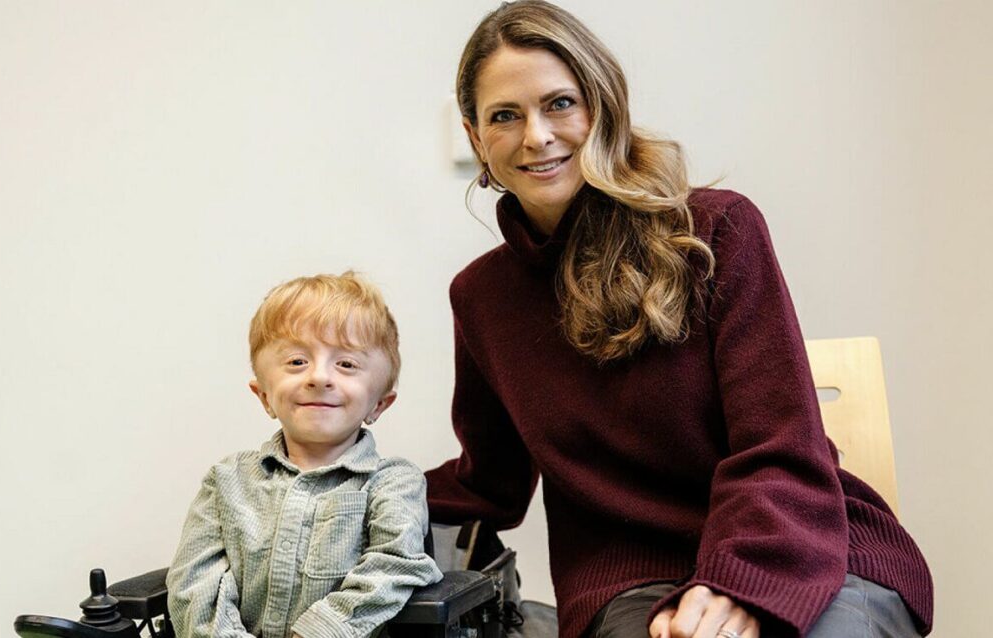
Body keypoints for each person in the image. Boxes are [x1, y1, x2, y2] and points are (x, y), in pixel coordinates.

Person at [424, 2, 933, 638]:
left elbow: (779, 444)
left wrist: (739, 583)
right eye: (505, 115)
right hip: (632, 582)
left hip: (807, 549)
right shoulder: (482, 297)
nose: (536, 136)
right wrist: (337, 485)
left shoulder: (716, 231)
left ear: (602, 107)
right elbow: (487, 482)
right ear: (476, 138)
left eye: (559, 103)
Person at [167, 273, 442, 638]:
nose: (319, 377)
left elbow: (396, 564)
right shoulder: (226, 481)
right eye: (297, 362)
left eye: (346, 364)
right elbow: (195, 581)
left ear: (379, 404)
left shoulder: (393, 481)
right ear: (264, 396)